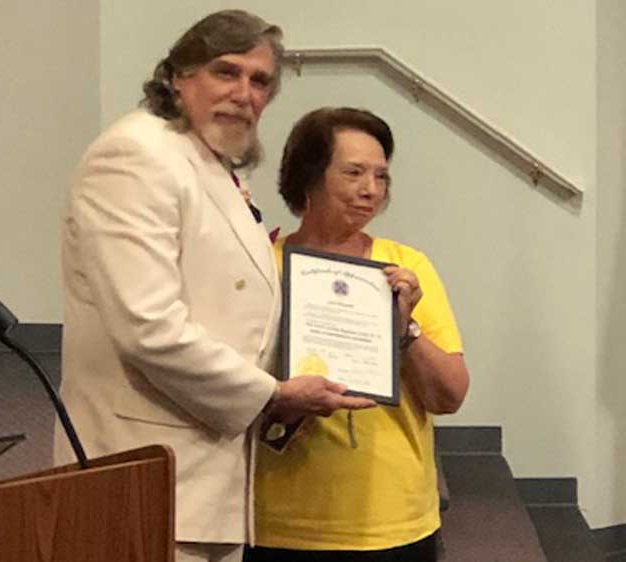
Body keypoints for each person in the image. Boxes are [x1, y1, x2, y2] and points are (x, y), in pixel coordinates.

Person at [55, 12, 373, 562]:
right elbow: (148, 328)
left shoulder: (209, 162)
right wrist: (271, 394)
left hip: (201, 471)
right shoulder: (136, 155)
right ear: (179, 77)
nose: (243, 94)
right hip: (141, 474)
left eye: (260, 81)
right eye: (226, 72)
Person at [246, 107, 470, 562]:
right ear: (308, 177)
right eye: (354, 173)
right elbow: (222, 387)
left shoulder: (407, 267)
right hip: (281, 524)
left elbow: (450, 396)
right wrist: (283, 400)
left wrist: (404, 328)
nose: (371, 190)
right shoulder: (258, 265)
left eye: (381, 176)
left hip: (394, 522)